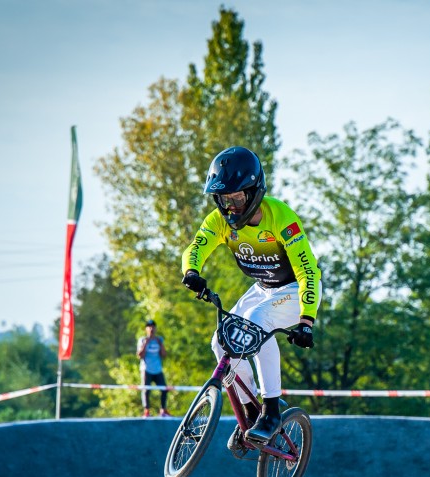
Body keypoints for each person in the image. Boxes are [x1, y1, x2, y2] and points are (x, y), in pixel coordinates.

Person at [181, 146, 321, 446]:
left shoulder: (282, 218)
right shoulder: (219, 220)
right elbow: (196, 247)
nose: (229, 207)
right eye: (222, 199)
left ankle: (271, 409)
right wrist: (191, 271)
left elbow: (309, 272)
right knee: (221, 342)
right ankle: (249, 410)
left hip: (294, 290)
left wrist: (307, 321)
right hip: (262, 288)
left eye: (236, 198)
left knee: (256, 323)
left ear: (255, 191)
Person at [137, 319, 170, 417]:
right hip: (146, 369)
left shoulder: (159, 340)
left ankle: (163, 410)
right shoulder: (142, 340)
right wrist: (145, 344)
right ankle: (146, 411)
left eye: (153, 327)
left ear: (155, 328)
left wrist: (160, 344)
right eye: (149, 327)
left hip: (157, 369)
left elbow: (164, 355)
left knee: (164, 389)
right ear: (146, 329)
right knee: (146, 390)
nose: (151, 329)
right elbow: (140, 355)